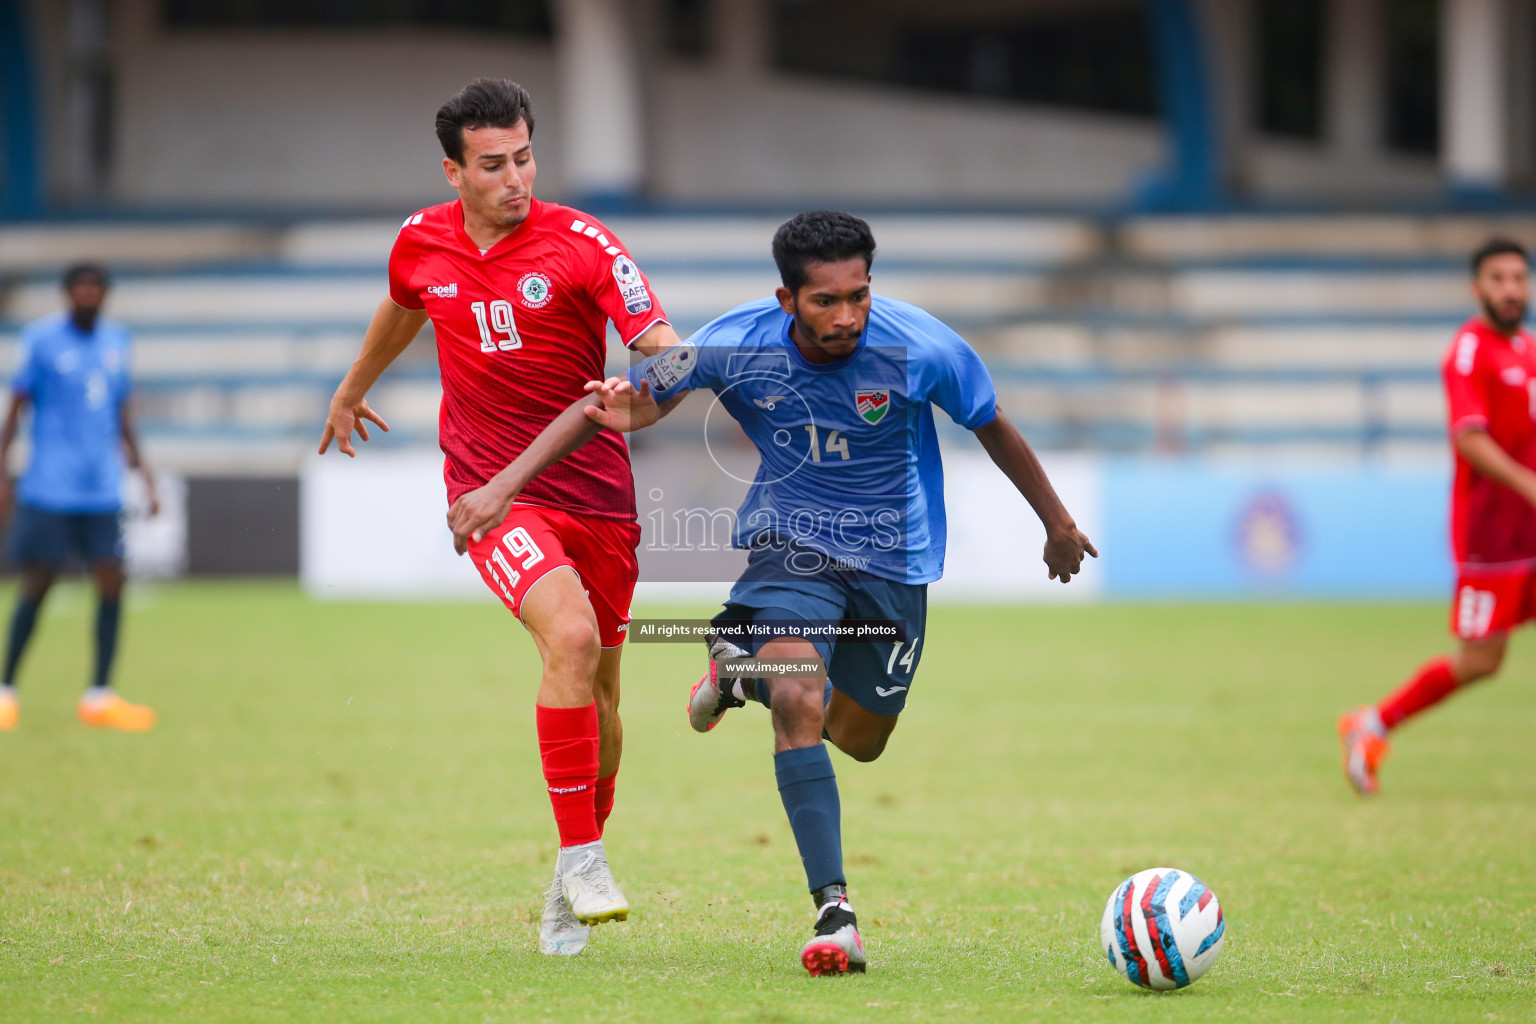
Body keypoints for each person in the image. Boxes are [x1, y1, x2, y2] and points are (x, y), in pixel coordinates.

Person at [451, 211, 1097, 975]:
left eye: (858, 295)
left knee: (860, 738)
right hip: (792, 552)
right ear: (786, 299)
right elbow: (625, 405)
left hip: (894, 564)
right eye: (826, 300)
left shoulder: (922, 347)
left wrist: (1056, 523)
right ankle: (836, 912)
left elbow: (991, 424)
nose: (847, 315)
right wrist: (504, 486)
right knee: (800, 700)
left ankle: (739, 674)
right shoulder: (737, 340)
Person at [319, 79, 688, 957]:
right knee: (566, 638)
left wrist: (654, 396)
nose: (515, 177)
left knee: (601, 693)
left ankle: (568, 878)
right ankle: (584, 854)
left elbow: (667, 354)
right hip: (488, 493)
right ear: (454, 171)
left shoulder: (586, 246)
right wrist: (352, 386)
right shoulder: (419, 241)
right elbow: (405, 304)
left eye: (525, 157)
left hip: (599, 497)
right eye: (493, 165)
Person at [1339, 238, 1536, 796]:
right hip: (1491, 536)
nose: (1511, 289)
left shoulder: (1529, 348)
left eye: (1519, 278)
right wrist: (1528, 486)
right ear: (1478, 289)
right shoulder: (1468, 352)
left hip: (1531, 529)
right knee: (1482, 661)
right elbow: (1470, 439)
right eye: (1498, 279)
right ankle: (1371, 722)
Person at [0, 263, 159, 732]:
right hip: (49, 485)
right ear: (67, 294)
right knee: (37, 584)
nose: (88, 295)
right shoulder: (41, 341)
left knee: (112, 581)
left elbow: (122, 413)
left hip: (102, 488)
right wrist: (3, 471)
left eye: (95, 289)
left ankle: (99, 695)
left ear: (105, 295)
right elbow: (16, 410)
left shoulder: (117, 341)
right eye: (80, 289)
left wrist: (143, 471)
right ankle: (6, 689)